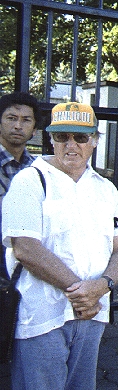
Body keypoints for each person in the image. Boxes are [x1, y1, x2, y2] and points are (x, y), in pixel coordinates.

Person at [3, 101, 118, 390]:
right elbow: (26, 248)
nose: (70, 145)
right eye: (62, 136)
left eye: (80, 136)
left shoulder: (105, 188)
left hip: (92, 314)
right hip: (43, 314)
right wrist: (80, 291)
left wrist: (102, 286)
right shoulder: (29, 182)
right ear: (50, 139)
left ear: (94, 140)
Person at [0, 92, 39, 280]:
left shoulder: (39, 169)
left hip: (28, 270)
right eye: (11, 118)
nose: (17, 125)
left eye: (26, 120)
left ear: (34, 129)